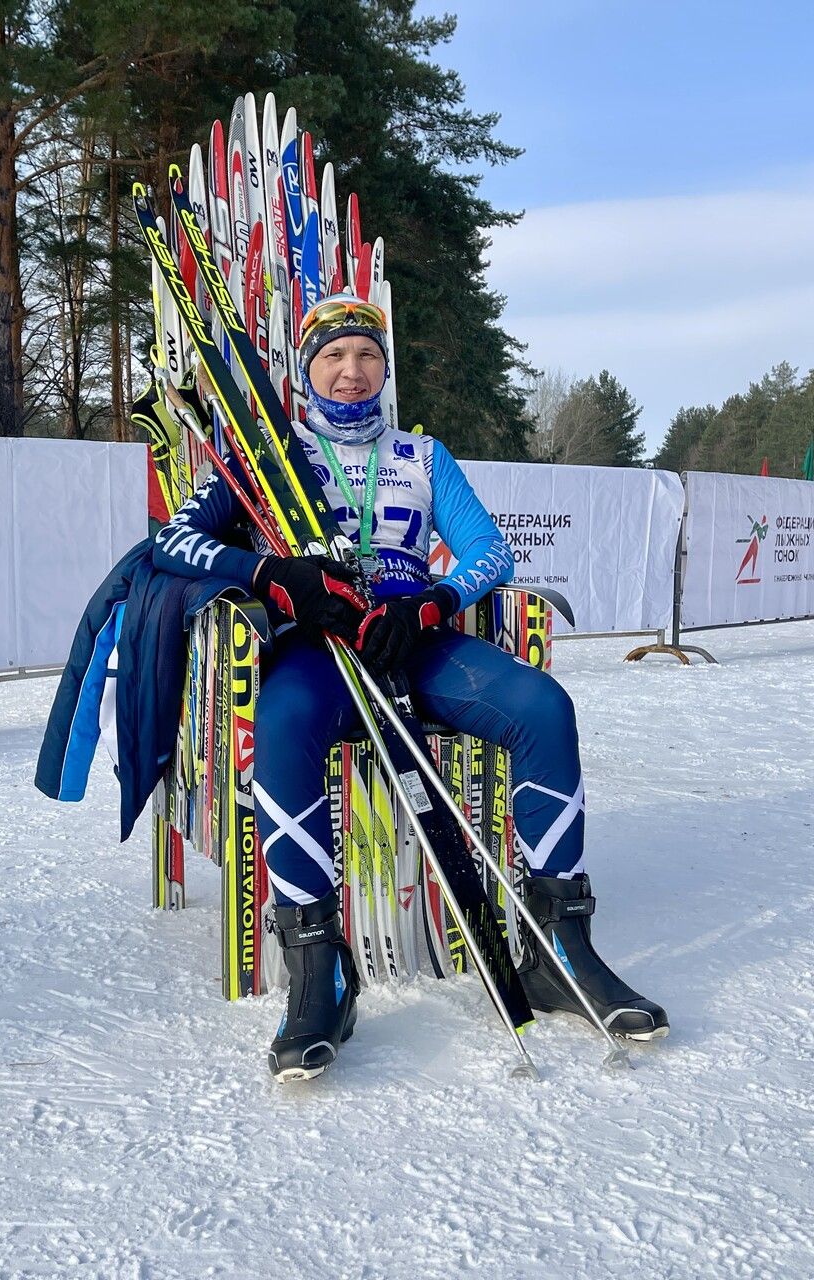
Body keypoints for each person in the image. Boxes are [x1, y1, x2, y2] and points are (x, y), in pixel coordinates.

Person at [152, 293, 667, 1081]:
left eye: (367, 357)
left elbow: (489, 554)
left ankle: (557, 949)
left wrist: (430, 600)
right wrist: (270, 572)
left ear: (384, 372)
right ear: (306, 370)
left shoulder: (421, 456)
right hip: (318, 645)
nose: (351, 371)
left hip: (412, 639)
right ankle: (319, 971)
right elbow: (172, 541)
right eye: (333, 356)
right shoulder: (268, 454)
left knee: (541, 706)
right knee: (283, 722)